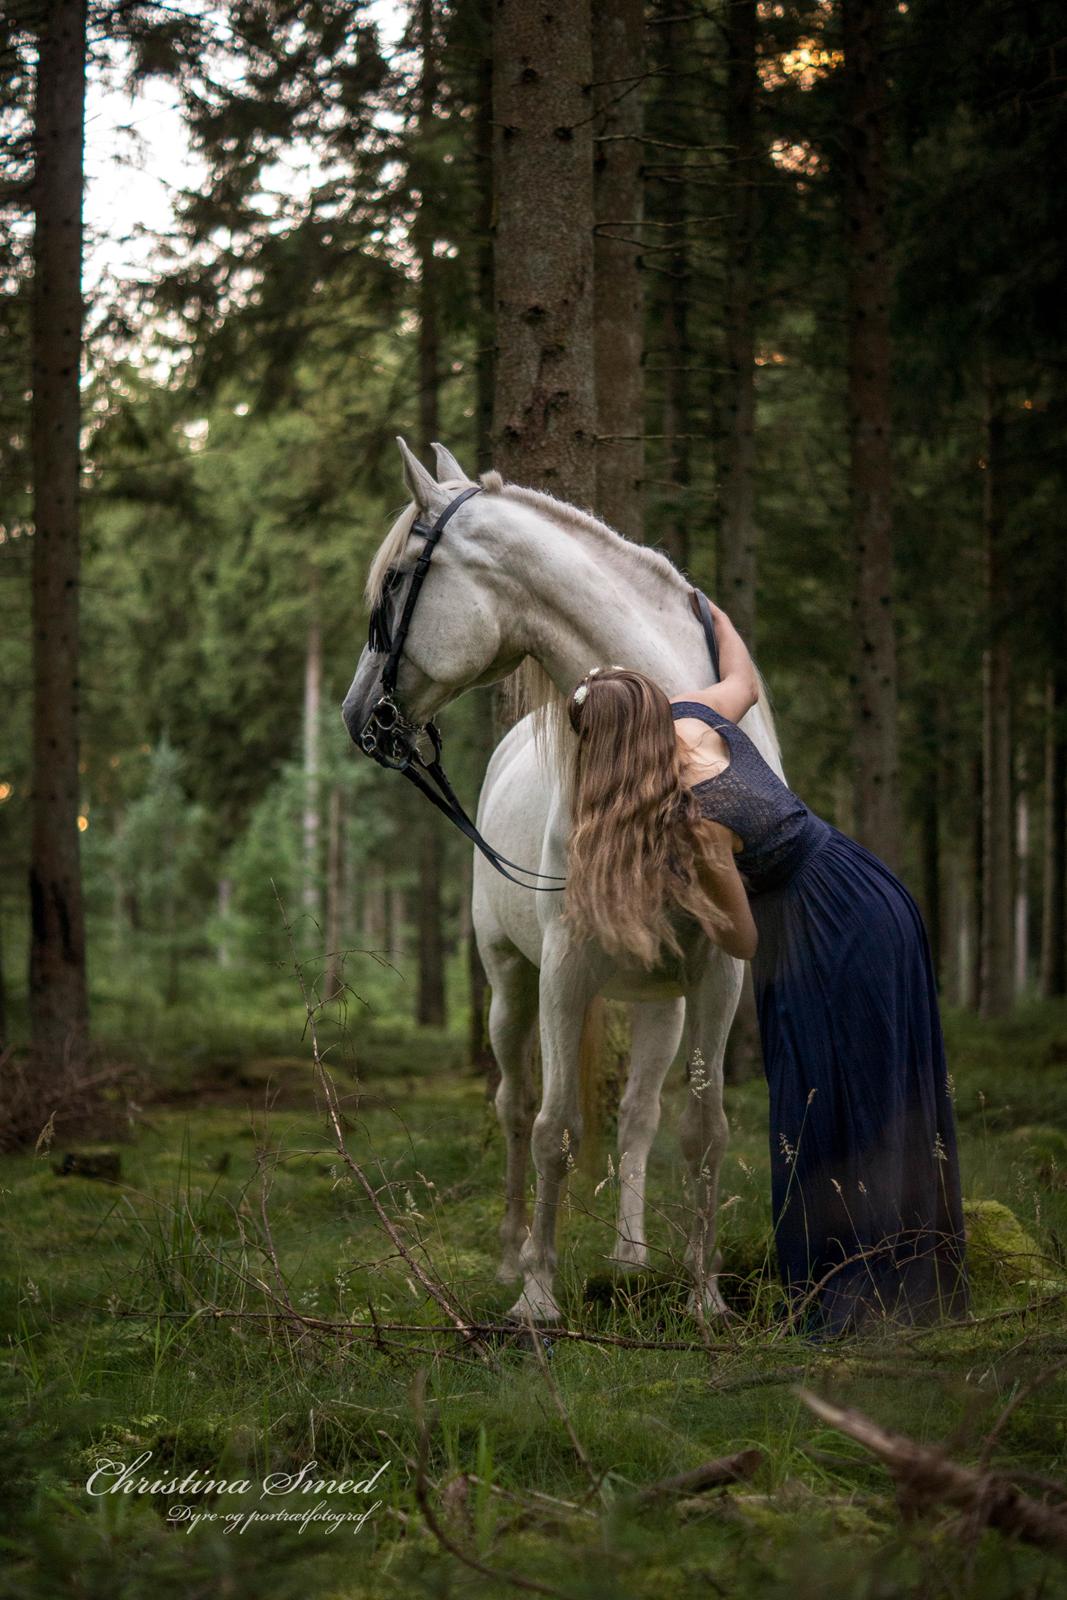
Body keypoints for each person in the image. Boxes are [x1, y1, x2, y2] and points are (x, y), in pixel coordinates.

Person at [562, 609, 969, 1338]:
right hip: (865, 886)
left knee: (822, 1098)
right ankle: (915, 1273)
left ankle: (847, 1296)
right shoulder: (692, 716)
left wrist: (687, 890)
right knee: (883, 1080)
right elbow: (743, 681)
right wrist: (713, 613)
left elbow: (743, 941)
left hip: (815, 931)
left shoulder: (691, 818)